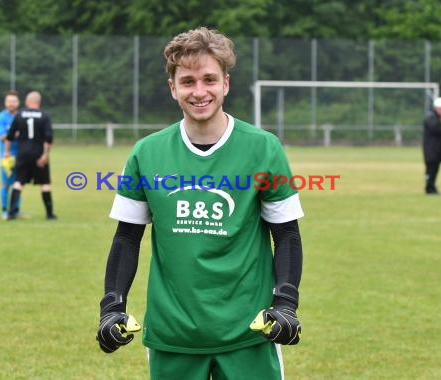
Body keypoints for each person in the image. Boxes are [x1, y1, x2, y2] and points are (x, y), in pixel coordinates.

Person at [96, 27, 304, 380]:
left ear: (225, 83)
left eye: (209, 79)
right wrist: (111, 306)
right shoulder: (147, 153)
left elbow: (286, 236)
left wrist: (285, 304)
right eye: (188, 81)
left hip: (249, 333)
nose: (199, 91)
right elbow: (127, 239)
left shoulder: (263, 148)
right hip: (173, 334)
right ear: (173, 88)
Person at [4, 91, 57, 220]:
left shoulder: (20, 114)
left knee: (18, 182)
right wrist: (45, 155)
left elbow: (10, 136)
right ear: (39, 102)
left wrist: (6, 152)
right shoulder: (44, 116)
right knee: (45, 183)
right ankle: (49, 214)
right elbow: (48, 138)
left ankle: (11, 212)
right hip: (39, 154)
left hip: (23, 153)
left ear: (27, 102)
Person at [0, 90, 22, 220]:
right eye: (9, 101)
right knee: (5, 184)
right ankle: (4, 210)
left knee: (18, 183)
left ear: (18, 102)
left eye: (13, 101)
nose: (11, 103)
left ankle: (16, 210)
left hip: (21, 155)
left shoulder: (22, 116)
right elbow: (2, 137)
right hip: (7, 156)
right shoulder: (1, 118)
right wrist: (15, 134)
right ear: (5, 103)